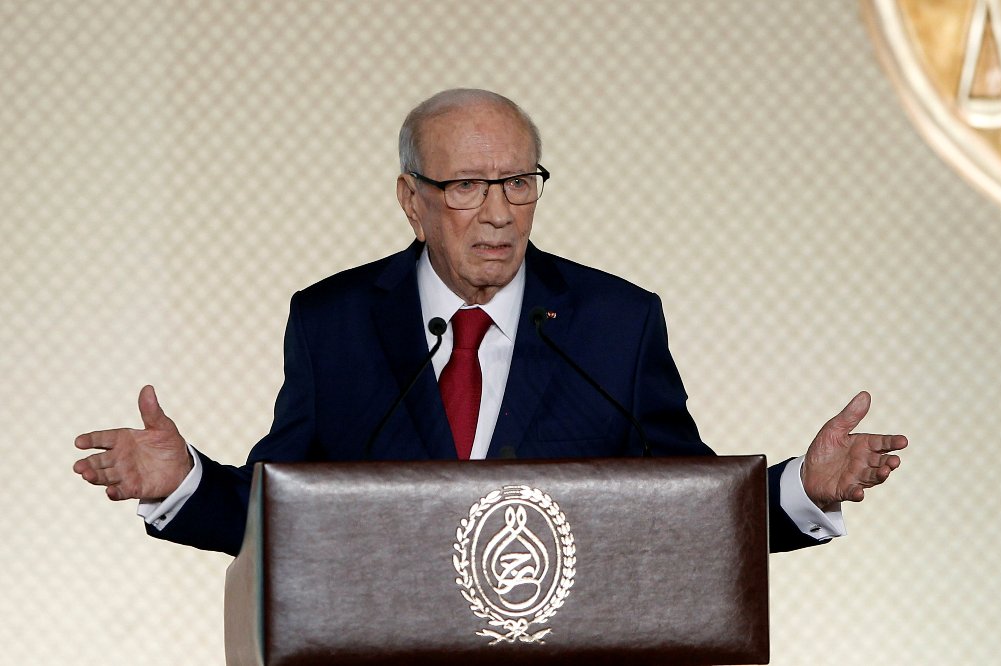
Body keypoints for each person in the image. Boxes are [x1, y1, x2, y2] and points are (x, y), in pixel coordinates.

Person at [73, 89, 907, 557]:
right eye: (467, 186)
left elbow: (685, 507)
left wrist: (803, 486)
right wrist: (185, 480)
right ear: (412, 200)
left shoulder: (617, 323)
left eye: (520, 182)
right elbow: (281, 513)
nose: (500, 213)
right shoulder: (333, 324)